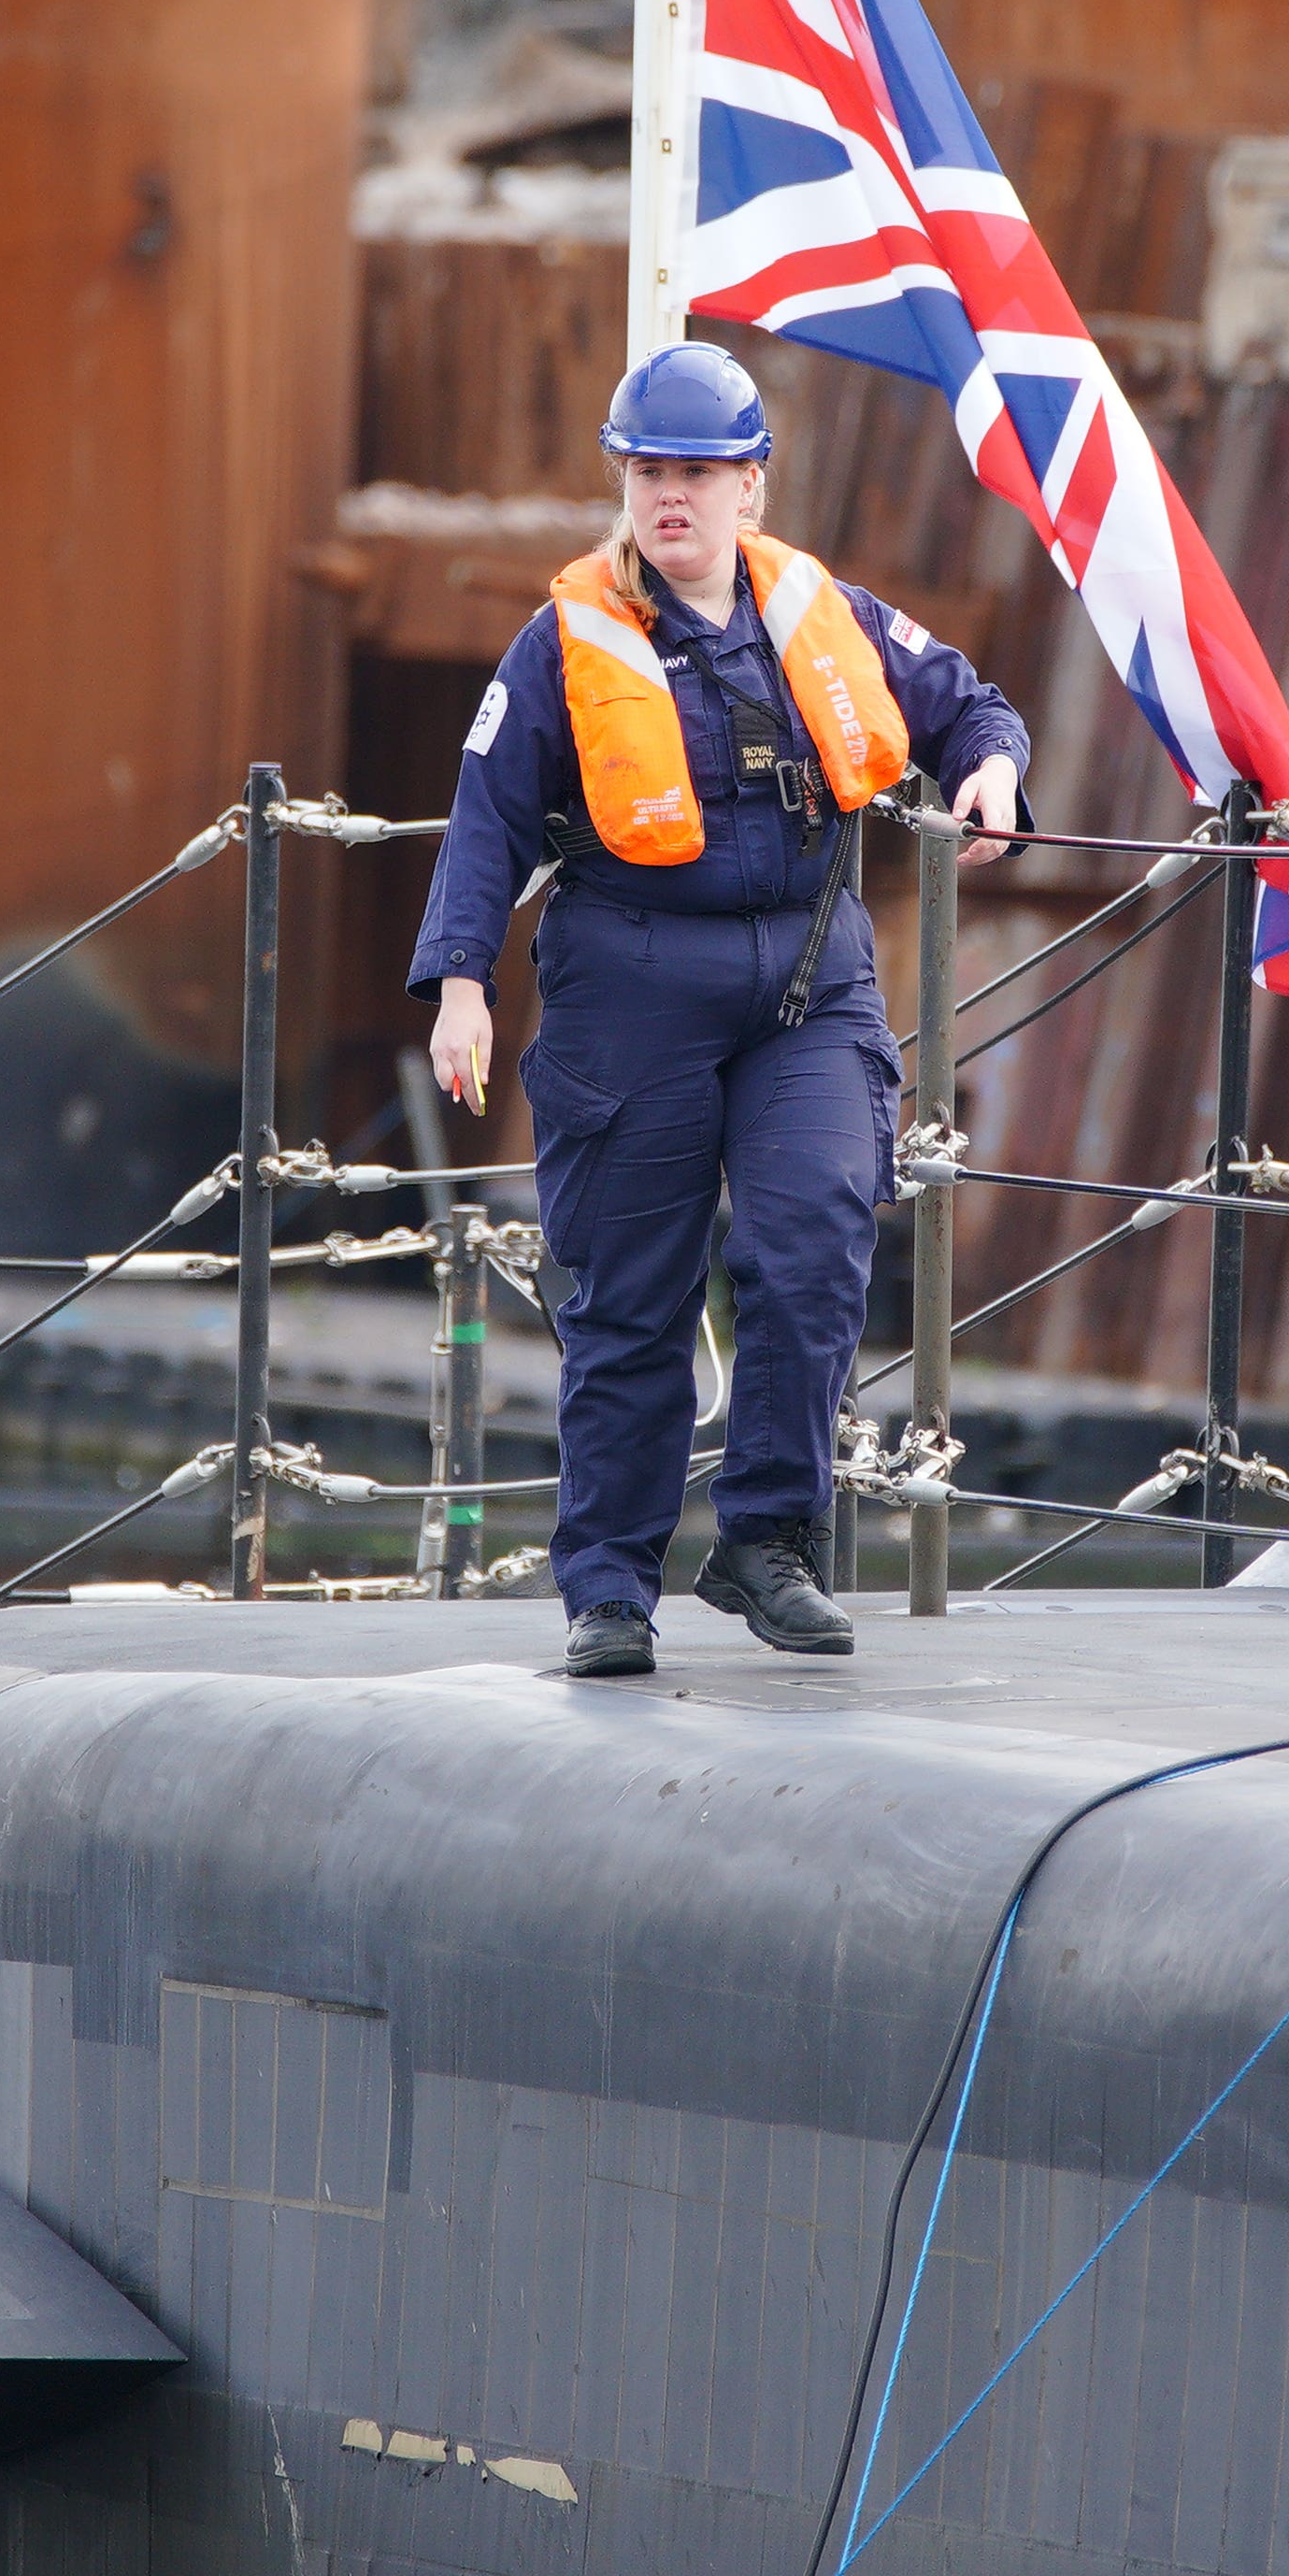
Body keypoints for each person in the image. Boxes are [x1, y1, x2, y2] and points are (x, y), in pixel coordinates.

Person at [412, 338, 1028, 1678]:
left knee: (812, 1251)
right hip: (630, 989)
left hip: (807, 984)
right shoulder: (560, 644)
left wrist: (989, 772)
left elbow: (967, 704)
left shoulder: (825, 612)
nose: (669, 498)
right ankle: (610, 1588)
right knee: (630, 1300)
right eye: (647, 472)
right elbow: (485, 821)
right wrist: (461, 985)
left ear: (752, 487)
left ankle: (767, 1542)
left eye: (696, 472)